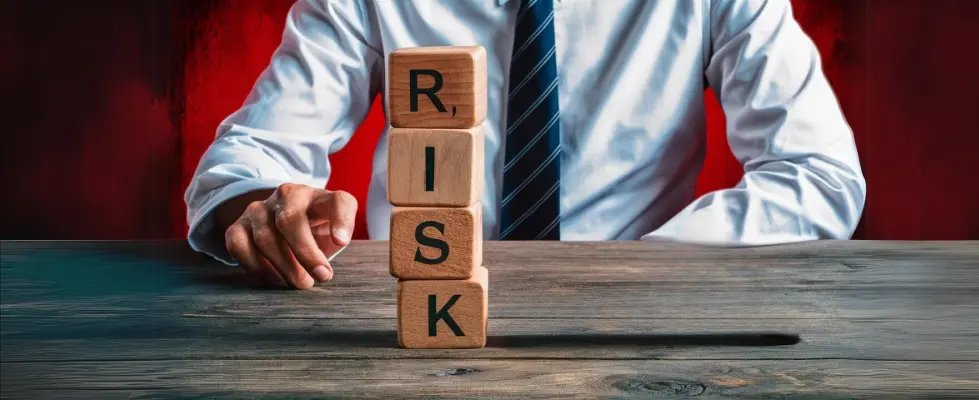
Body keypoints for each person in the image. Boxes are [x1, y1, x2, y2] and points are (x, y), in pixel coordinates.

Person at [185, 0, 866, 289]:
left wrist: (633, 274)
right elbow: (253, 152)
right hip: (406, 331)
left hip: (640, 336)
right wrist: (260, 206)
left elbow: (818, 174)